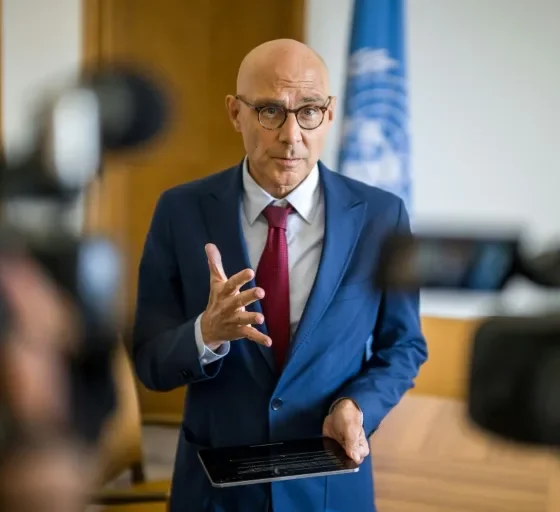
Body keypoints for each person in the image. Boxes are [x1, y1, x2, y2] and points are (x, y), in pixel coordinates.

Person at [132, 38, 428, 512]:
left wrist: (357, 406)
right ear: (236, 113)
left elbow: (404, 345)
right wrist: (206, 334)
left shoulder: (381, 217)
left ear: (330, 114)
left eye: (309, 111)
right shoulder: (179, 211)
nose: (292, 136)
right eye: (270, 111)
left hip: (330, 490)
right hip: (215, 494)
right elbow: (150, 362)